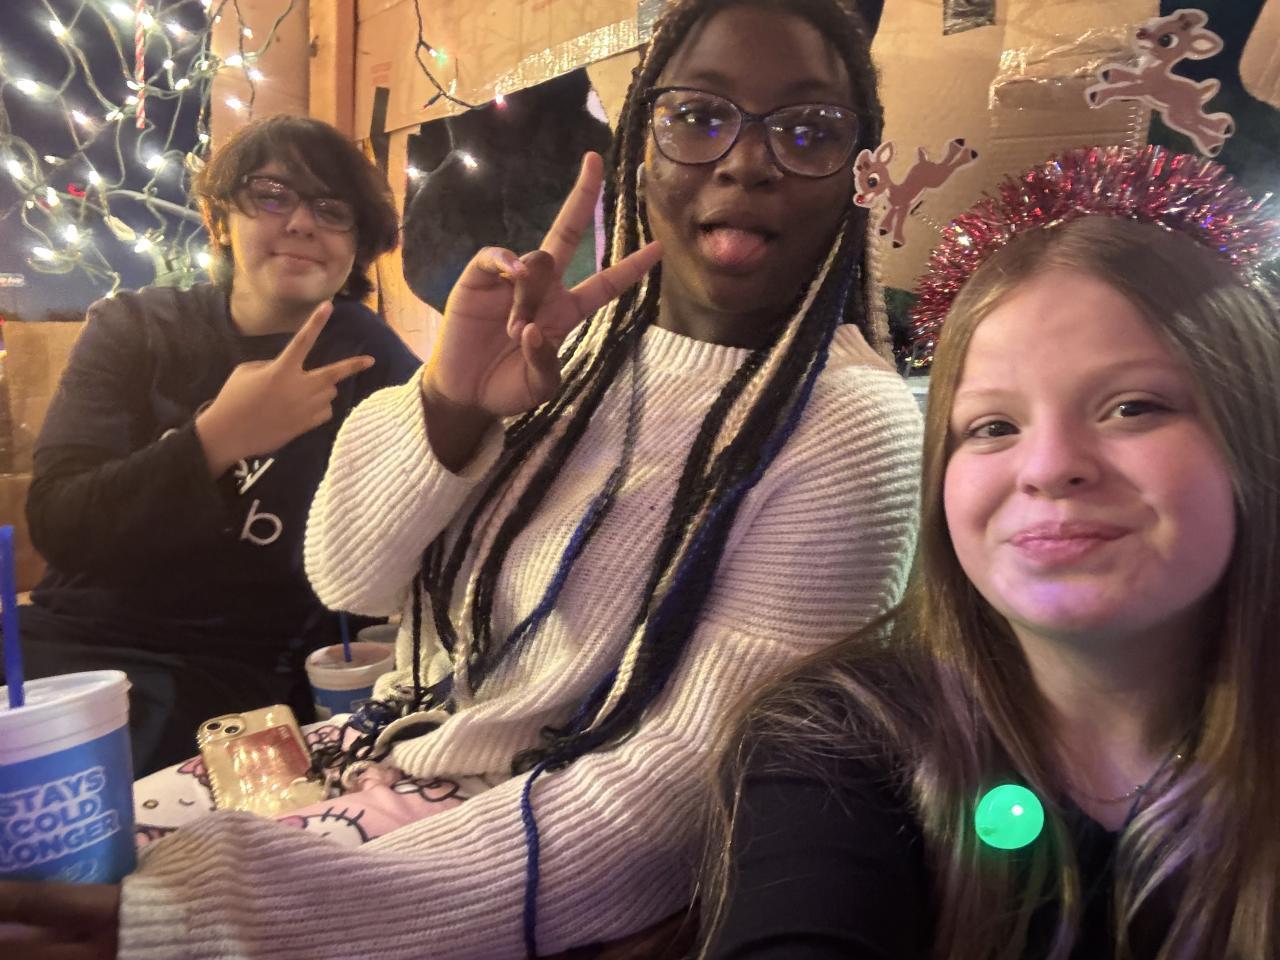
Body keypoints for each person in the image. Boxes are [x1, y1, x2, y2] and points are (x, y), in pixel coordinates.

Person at [0, 1, 922, 957]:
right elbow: (350, 578)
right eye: (698, 115)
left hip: (507, 843)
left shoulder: (852, 423)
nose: (746, 161)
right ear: (643, 148)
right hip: (385, 742)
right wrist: (448, 401)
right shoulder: (578, 345)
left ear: (859, 175)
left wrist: (235, 918)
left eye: (809, 129)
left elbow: (682, 784)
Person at [702, 146, 1280, 960]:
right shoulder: (839, 747)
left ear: (1253, 435)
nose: (1048, 467)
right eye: (993, 426)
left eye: (1133, 407)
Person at [3, 115, 420, 775]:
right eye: (271, 196)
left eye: (332, 209)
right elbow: (59, 523)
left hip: (230, 684)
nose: (302, 223)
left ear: (357, 243)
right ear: (218, 218)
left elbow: (454, 475)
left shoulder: (369, 357)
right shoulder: (136, 329)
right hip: (67, 642)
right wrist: (216, 438)